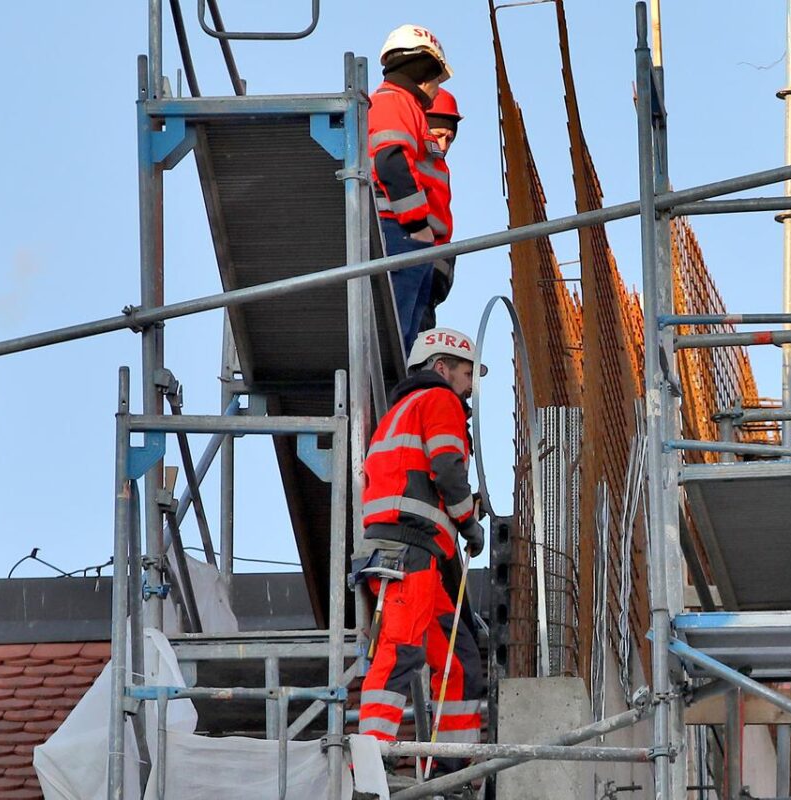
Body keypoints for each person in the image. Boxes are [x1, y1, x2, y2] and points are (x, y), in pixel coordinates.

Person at [357, 328, 487, 769]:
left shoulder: (400, 413)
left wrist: (458, 513)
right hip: (408, 553)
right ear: (440, 367)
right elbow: (447, 468)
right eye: (467, 374)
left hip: (412, 554)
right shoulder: (439, 401)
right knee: (399, 651)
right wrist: (468, 520)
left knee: (459, 661)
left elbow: (420, 480)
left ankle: (452, 770)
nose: (470, 386)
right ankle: (368, 760)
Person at [369, 24, 453, 353]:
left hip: (412, 240)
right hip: (402, 233)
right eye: (437, 77)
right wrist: (418, 226)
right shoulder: (394, 103)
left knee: (406, 345)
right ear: (424, 70)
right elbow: (391, 161)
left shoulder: (406, 108)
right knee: (396, 341)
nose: (437, 88)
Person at [420, 88, 463, 332]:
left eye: (450, 138)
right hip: (415, 259)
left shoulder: (439, 167)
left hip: (433, 273)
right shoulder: (411, 159)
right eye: (438, 135)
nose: (444, 145)